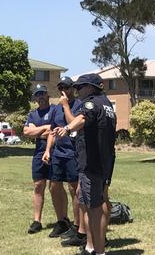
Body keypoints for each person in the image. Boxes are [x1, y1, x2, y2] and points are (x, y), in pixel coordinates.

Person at [53, 74, 116, 255]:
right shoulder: (107, 104)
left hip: (91, 162)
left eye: (80, 87)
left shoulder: (90, 103)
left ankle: (98, 250)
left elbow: (81, 119)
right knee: (94, 200)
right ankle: (91, 246)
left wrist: (66, 128)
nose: (77, 91)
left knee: (94, 207)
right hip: (104, 162)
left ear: (90, 87)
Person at [42, 77, 84, 243]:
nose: (63, 91)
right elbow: (52, 131)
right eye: (60, 88)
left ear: (73, 89)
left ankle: (77, 225)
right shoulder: (56, 109)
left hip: (73, 153)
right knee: (54, 186)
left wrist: (66, 105)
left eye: (66, 87)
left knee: (74, 189)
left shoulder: (78, 105)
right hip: (58, 153)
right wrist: (48, 150)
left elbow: (74, 123)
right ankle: (62, 221)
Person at [22, 84, 56, 234]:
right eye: (37, 94)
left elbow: (54, 130)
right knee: (38, 186)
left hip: (55, 151)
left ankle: (62, 220)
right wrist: (45, 129)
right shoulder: (32, 114)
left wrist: (37, 130)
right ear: (35, 98)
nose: (40, 97)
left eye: (42, 93)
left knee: (55, 187)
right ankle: (37, 221)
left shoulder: (55, 110)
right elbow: (26, 132)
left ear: (47, 95)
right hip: (38, 153)